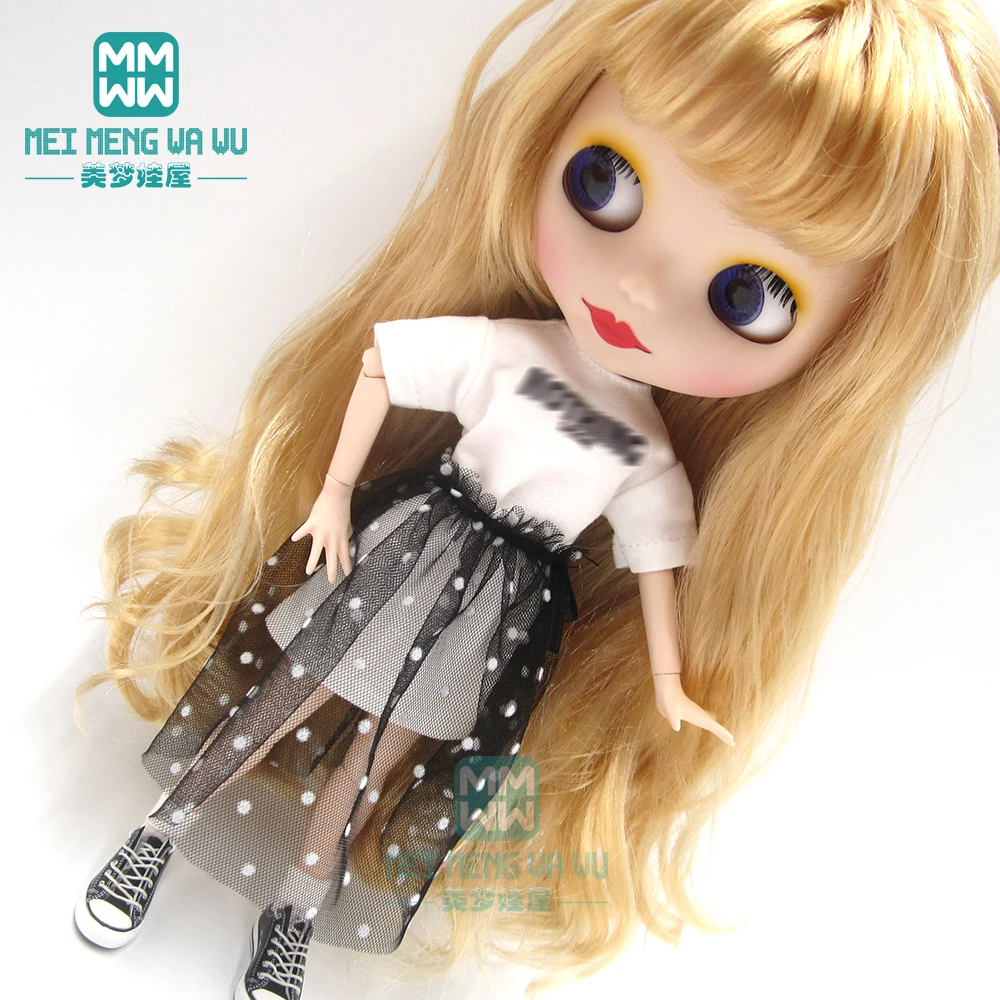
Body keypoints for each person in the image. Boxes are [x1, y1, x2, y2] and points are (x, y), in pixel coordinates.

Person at [72, 1, 1000, 998]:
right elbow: (381, 365)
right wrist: (336, 490)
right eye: (606, 181)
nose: (638, 288)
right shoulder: (508, 351)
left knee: (376, 768)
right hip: (413, 542)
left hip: (497, 615)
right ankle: (156, 835)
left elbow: (657, 563)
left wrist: (670, 679)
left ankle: (293, 914)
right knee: (282, 693)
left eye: (749, 296)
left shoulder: (644, 453)